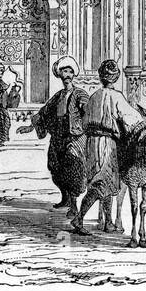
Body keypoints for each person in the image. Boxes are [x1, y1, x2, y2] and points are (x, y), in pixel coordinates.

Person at [72, 59, 143, 236]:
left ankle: (108, 222)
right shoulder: (116, 96)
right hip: (107, 143)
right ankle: (79, 218)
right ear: (116, 77)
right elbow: (131, 118)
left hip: (92, 143)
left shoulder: (95, 95)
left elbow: (84, 120)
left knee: (105, 183)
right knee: (100, 184)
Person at [32, 57, 88, 215]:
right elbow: (45, 111)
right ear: (60, 74)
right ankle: (65, 198)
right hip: (58, 135)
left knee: (73, 167)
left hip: (74, 136)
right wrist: (31, 125)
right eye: (65, 71)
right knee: (55, 167)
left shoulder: (80, 93)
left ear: (74, 74)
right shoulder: (58, 95)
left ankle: (74, 204)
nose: (68, 74)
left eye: (70, 71)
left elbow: (87, 110)